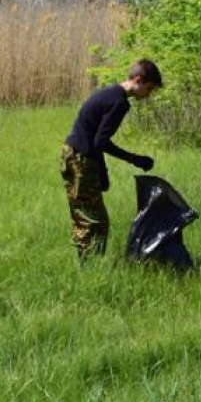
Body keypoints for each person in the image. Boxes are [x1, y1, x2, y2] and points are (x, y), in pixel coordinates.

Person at [61, 59, 162, 261]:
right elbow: (101, 142)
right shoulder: (119, 102)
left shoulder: (108, 93)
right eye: (149, 89)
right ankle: (90, 269)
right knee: (96, 222)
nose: (148, 95)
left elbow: (93, 138)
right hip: (82, 160)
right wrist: (135, 159)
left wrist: (101, 171)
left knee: (83, 215)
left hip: (71, 153)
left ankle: (85, 265)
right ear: (139, 80)